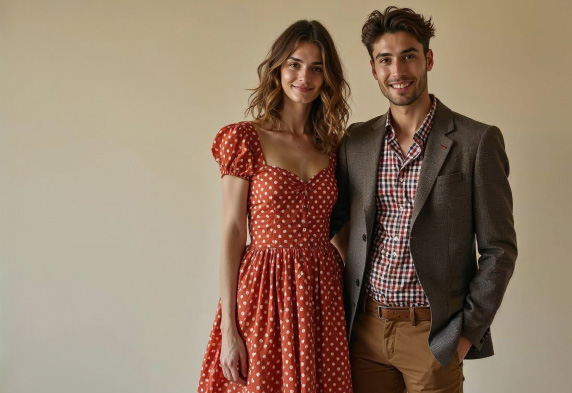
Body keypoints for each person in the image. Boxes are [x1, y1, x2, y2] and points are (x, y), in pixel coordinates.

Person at [330, 6, 517, 393]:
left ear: (428, 58)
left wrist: (465, 333)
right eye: (385, 59)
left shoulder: (475, 142)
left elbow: (499, 249)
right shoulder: (356, 142)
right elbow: (338, 222)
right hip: (364, 331)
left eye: (409, 56)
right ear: (373, 69)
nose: (398, 71)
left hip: (433, 335)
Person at [198, 20, 352, 393]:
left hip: (322, 293)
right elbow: (233, 230)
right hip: (264, 292)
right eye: (295, 64)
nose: (305, 76)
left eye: (317, 67)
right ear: (278, 68)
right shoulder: (246, 138)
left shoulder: (333, 148)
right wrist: (229, 328)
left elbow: (344, 228)